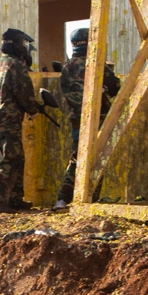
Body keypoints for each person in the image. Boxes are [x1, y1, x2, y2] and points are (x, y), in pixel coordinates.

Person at [54, 27, 122, 207]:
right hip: (98, 119)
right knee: (98, 160)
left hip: (77, 120)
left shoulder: (67, 66)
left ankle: (63, 199)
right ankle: (89, 199)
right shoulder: (96, 64)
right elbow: (115, 87)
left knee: (77, 158)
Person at [0, 28, 46, 213]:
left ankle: (14, 197)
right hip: (9, 117)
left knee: (17, 157)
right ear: (16, 44)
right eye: (23, 44)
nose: (25, 48)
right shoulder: (15, 64)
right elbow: (23, 91)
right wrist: (33, 110)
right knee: (11, 158)